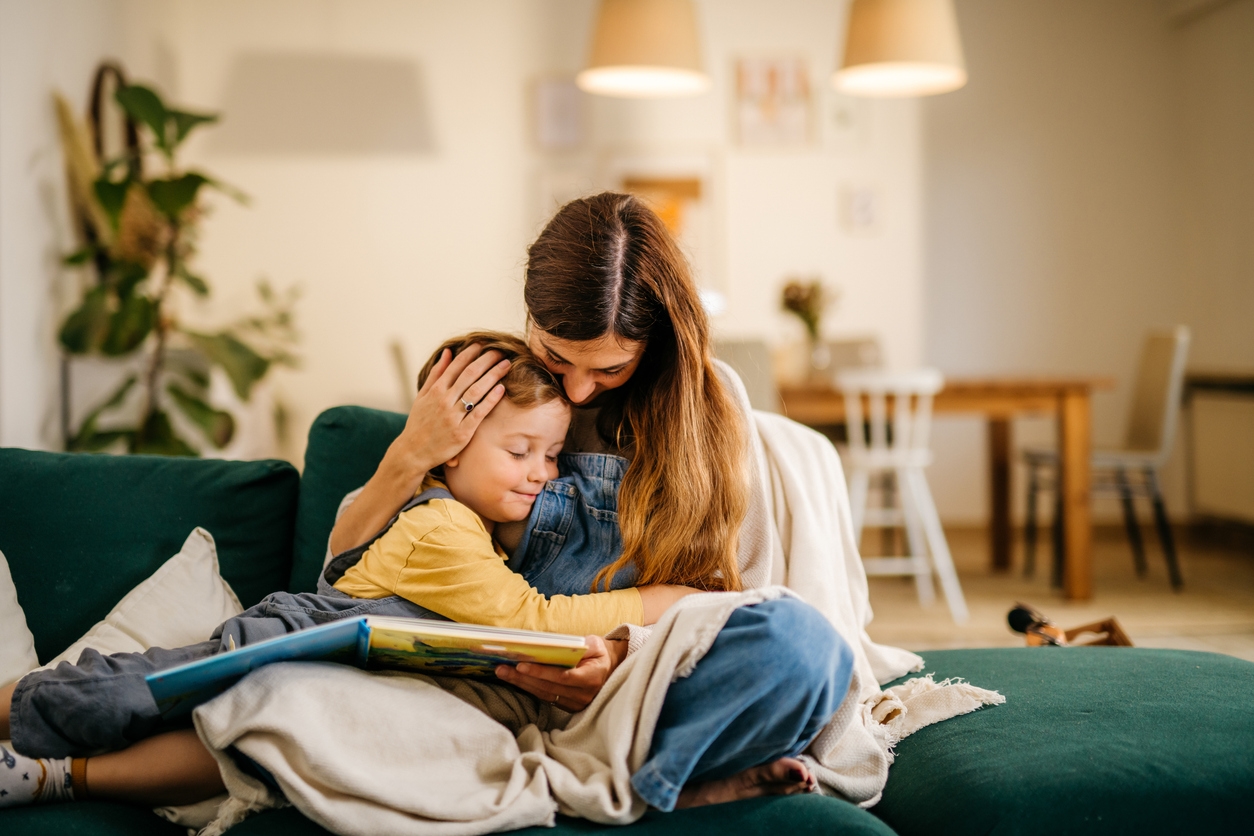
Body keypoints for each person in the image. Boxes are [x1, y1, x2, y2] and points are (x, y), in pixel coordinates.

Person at [2, 192, 853, 814]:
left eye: (612, 368)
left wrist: (626, 655)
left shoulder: (708, 414)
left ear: (659, 341)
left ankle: (656, 777)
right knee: (270, 694)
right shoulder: (503, 395)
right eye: (561, 357)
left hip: (627, 683)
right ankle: (668, 788)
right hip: (479, 675)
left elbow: (732, 605)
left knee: (805, 649)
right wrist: (414, 450)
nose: (582, 387)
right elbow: (346, 574)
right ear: (530, 316)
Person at [0, 331, 693, 809]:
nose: (544, 475)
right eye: (522, 453)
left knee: (234, 755)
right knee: (129, 692)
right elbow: (530, 619)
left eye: (552, 455)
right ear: (449, 450)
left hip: (328, 668)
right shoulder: (441, 525)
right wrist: (662, 600)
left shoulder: (477, 528)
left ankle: (52, 777)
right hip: (291, 636)